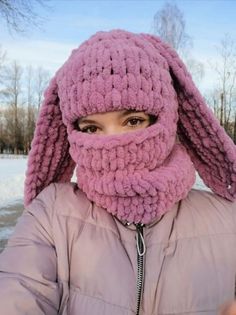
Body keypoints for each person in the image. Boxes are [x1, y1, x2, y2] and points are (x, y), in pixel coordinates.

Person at [0, 29, 236, 315]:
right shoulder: (50, 216)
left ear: (168, 117)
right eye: (91, 128)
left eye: (133, 120)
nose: (111, 143)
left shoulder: (228, 221)